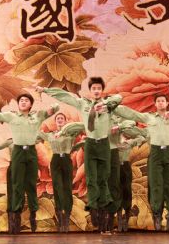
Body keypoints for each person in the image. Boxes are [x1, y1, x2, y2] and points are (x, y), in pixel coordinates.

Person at [36, 77, 122, 232]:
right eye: (93, 88)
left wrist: (106, 104)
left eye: (98, 88)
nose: (96, 91)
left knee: (104, 178)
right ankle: (94, 208)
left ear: (101, 90)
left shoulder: (108, 105)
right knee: (91, 178)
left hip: (103, 144)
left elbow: (119, 98)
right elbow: (65, 96)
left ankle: (103, 212)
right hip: (90, 144)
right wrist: (46, 90)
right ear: (90, 90)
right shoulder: (83, 103)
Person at [0, 93, 58, 233]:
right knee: (17, 185)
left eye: (26, 100)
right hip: (18, 152)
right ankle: (16, 217)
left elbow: (54, 109)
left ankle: (33, 215)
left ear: (30, 104)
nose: (23, 102)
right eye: (21, 100)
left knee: (31, 184)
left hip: (31, 152)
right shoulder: (11, 116)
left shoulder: (37, 116)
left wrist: (52, 108)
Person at [113, 95, 169, 231]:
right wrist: (112, 106)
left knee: (168, 184)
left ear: (166, 103)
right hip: (155, 152)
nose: (160, 103)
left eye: (163, 101)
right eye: (158, 101)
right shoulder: (149, 118)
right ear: (155, 104)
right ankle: (157, 214)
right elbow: (131, 113)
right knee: (156, 184)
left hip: (168, 153)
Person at [37, 113, 84, 232]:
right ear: (55, 121)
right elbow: (37, 132)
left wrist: (66, 129)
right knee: (57, 188)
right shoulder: (51, 135)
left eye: (62, 118)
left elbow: (81, 126)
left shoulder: (70, 133)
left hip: (67, 160)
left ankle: (67, 217)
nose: (59, 120)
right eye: (57, 119)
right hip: (56, 160)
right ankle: (60, 216)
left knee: (67, 188)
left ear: (65, 121)